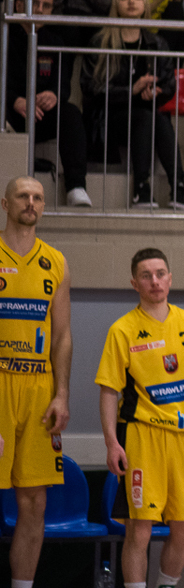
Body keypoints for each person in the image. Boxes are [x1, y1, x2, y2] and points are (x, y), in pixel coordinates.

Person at [98, 249, 184, 588]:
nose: (154, 281)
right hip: (142, 436)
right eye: (146, 275)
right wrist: (111, 443)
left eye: (160, 274)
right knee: (139, 529)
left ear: (170, 279)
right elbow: (109, 391)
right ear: (134, 283)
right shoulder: (122, 330)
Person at [0, 176, 74, 588]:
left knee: (34, 501)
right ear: (5, 204)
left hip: (38, 388)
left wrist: (62, 393)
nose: (31, 202)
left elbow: (62, 336)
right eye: (23, 196)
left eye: (38, 198)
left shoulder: (56, 261)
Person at [84, 0, 184, 209]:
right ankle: (141, 187)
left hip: (147, 117)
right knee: (145, 117)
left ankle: (179, 187)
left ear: (145, 5)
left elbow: (169, 84)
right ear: (116, 5)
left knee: (159, 119)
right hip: (108, 118)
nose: (131, 1)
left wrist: (157, 91)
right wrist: (131, 90)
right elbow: (91, 87)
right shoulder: (100, 41)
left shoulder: (157, 43)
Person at [5, 0, 91, 204]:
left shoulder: (55, 41)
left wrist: (54, 95)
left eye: (47, 6)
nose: (40, 10)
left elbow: (63, 85)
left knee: (70, 113)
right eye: (35, 3)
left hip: (40, 114)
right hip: (8, 113)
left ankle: (76, 187)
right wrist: (14, 100)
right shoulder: (4, 36)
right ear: (19, 5)